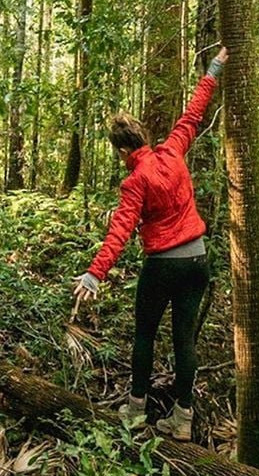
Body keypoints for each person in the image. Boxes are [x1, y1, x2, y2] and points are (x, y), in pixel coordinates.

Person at [72, 46, 229, 441]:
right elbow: (193, 113)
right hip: (197, 261)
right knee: (183, 338)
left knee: (144, 332)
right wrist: (213, 70)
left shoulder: (135, 180)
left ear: (124, 150)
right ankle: (183, 418)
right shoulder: (173, 150)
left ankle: (136, 408)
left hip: (164, 265)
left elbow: (121, 229)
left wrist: (94, 274)